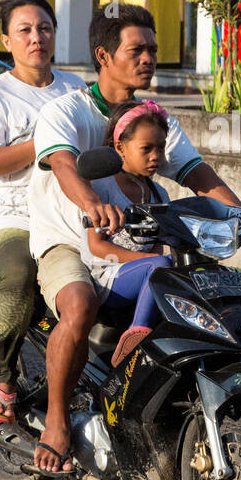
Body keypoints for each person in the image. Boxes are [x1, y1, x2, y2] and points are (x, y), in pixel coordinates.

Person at [26, 2, 241, 473]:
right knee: (80, 305)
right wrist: (92, 205)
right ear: (103, 56)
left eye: (153, 49)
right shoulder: (64, 111)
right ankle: (57, 423)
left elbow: (197, 174)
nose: (148, 58)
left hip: (130, 248)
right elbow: (63, 164)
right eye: (136, 49)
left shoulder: (152, 121)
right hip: (67, 240)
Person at [0, 0, 87, 425]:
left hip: (69, 216)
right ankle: (2, 377)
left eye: (45, 28)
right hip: (12, 220)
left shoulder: (76, 89)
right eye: (25, 31)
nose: (37, 38)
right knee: (20, 276)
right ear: (6, 41)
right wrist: (46, 140)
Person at [76, 99, 175, 368]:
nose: (156, 156)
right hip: (105, 276)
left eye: (161, 148)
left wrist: (154, 264)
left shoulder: (158, 194)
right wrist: (145, 263)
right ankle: (136, 335)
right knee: (162, 267)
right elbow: (96, 246)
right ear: (120, 147)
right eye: (146, 148)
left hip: (143, 274)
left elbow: (157, 248)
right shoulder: (102, 187)